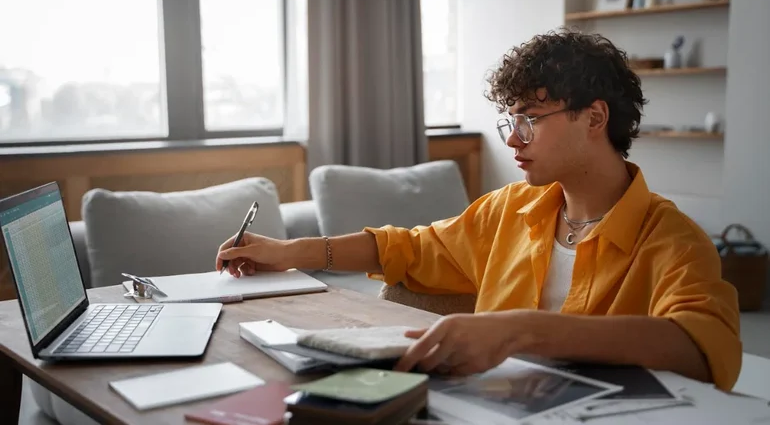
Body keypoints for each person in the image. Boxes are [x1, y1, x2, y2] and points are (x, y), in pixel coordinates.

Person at [215, 29, 742, 391]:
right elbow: (408, 247)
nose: (513, 138)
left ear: (594, 117)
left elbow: (703, 345)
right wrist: (290, 251)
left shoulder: (674, 239)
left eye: (531, 118)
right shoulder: (509, 211)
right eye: (509, 120)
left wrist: (523, 330)